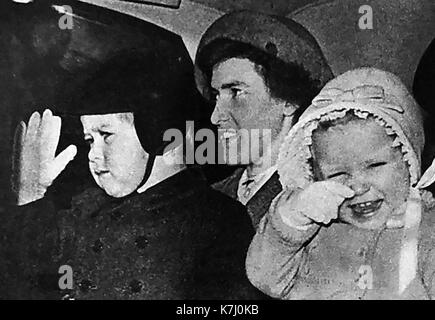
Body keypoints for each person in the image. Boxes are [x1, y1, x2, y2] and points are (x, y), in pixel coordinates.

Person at [0, 39, 264, 299]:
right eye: (89, 140)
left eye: (106, 134)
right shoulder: (87, 207)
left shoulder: (220, 222)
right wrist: (31, 192)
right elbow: (23, 273)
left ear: (156, 131)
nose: (93, 155)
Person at [246, 67, 435, 299]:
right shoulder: (313, 235)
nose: (357, 187)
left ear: (409, 161)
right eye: (337, 174)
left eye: (375, 166)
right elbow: (264, 277)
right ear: (315, 178)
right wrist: (293, 217)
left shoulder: (426, 231)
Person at [194, 10, 333, 228]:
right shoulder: (211, 196)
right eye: (216, 96)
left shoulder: (312, 200)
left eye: (236, 92)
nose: (215, 117)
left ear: (289, 101)